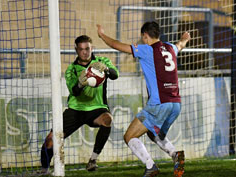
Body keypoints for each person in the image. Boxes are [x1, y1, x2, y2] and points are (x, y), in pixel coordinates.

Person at [96, 21, 190, 177]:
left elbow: (117, 45)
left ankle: (151, 166)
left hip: (159, 104)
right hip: (176, 104)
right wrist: (185, 38)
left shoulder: (147, 50)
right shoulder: (170, 48)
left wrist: (102, 35)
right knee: (154, 134)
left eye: (142, 38)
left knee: (129, 136)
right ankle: (175, 155)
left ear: (145, 36)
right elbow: (180, 45)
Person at [39, 35, 119, 174]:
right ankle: (44, 169)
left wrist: (106, 69)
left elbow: (115, 75)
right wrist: (80, 84)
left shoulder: (101, 61)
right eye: (81, 49)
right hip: (76, 109)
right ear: (76, 50)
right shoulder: (71, 70)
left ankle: (93, 160)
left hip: (97, 108)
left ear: (92, 48)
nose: (85, 52)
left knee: (107, 119)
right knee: (50, 141)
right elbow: (75, 92)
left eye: (87, 48)